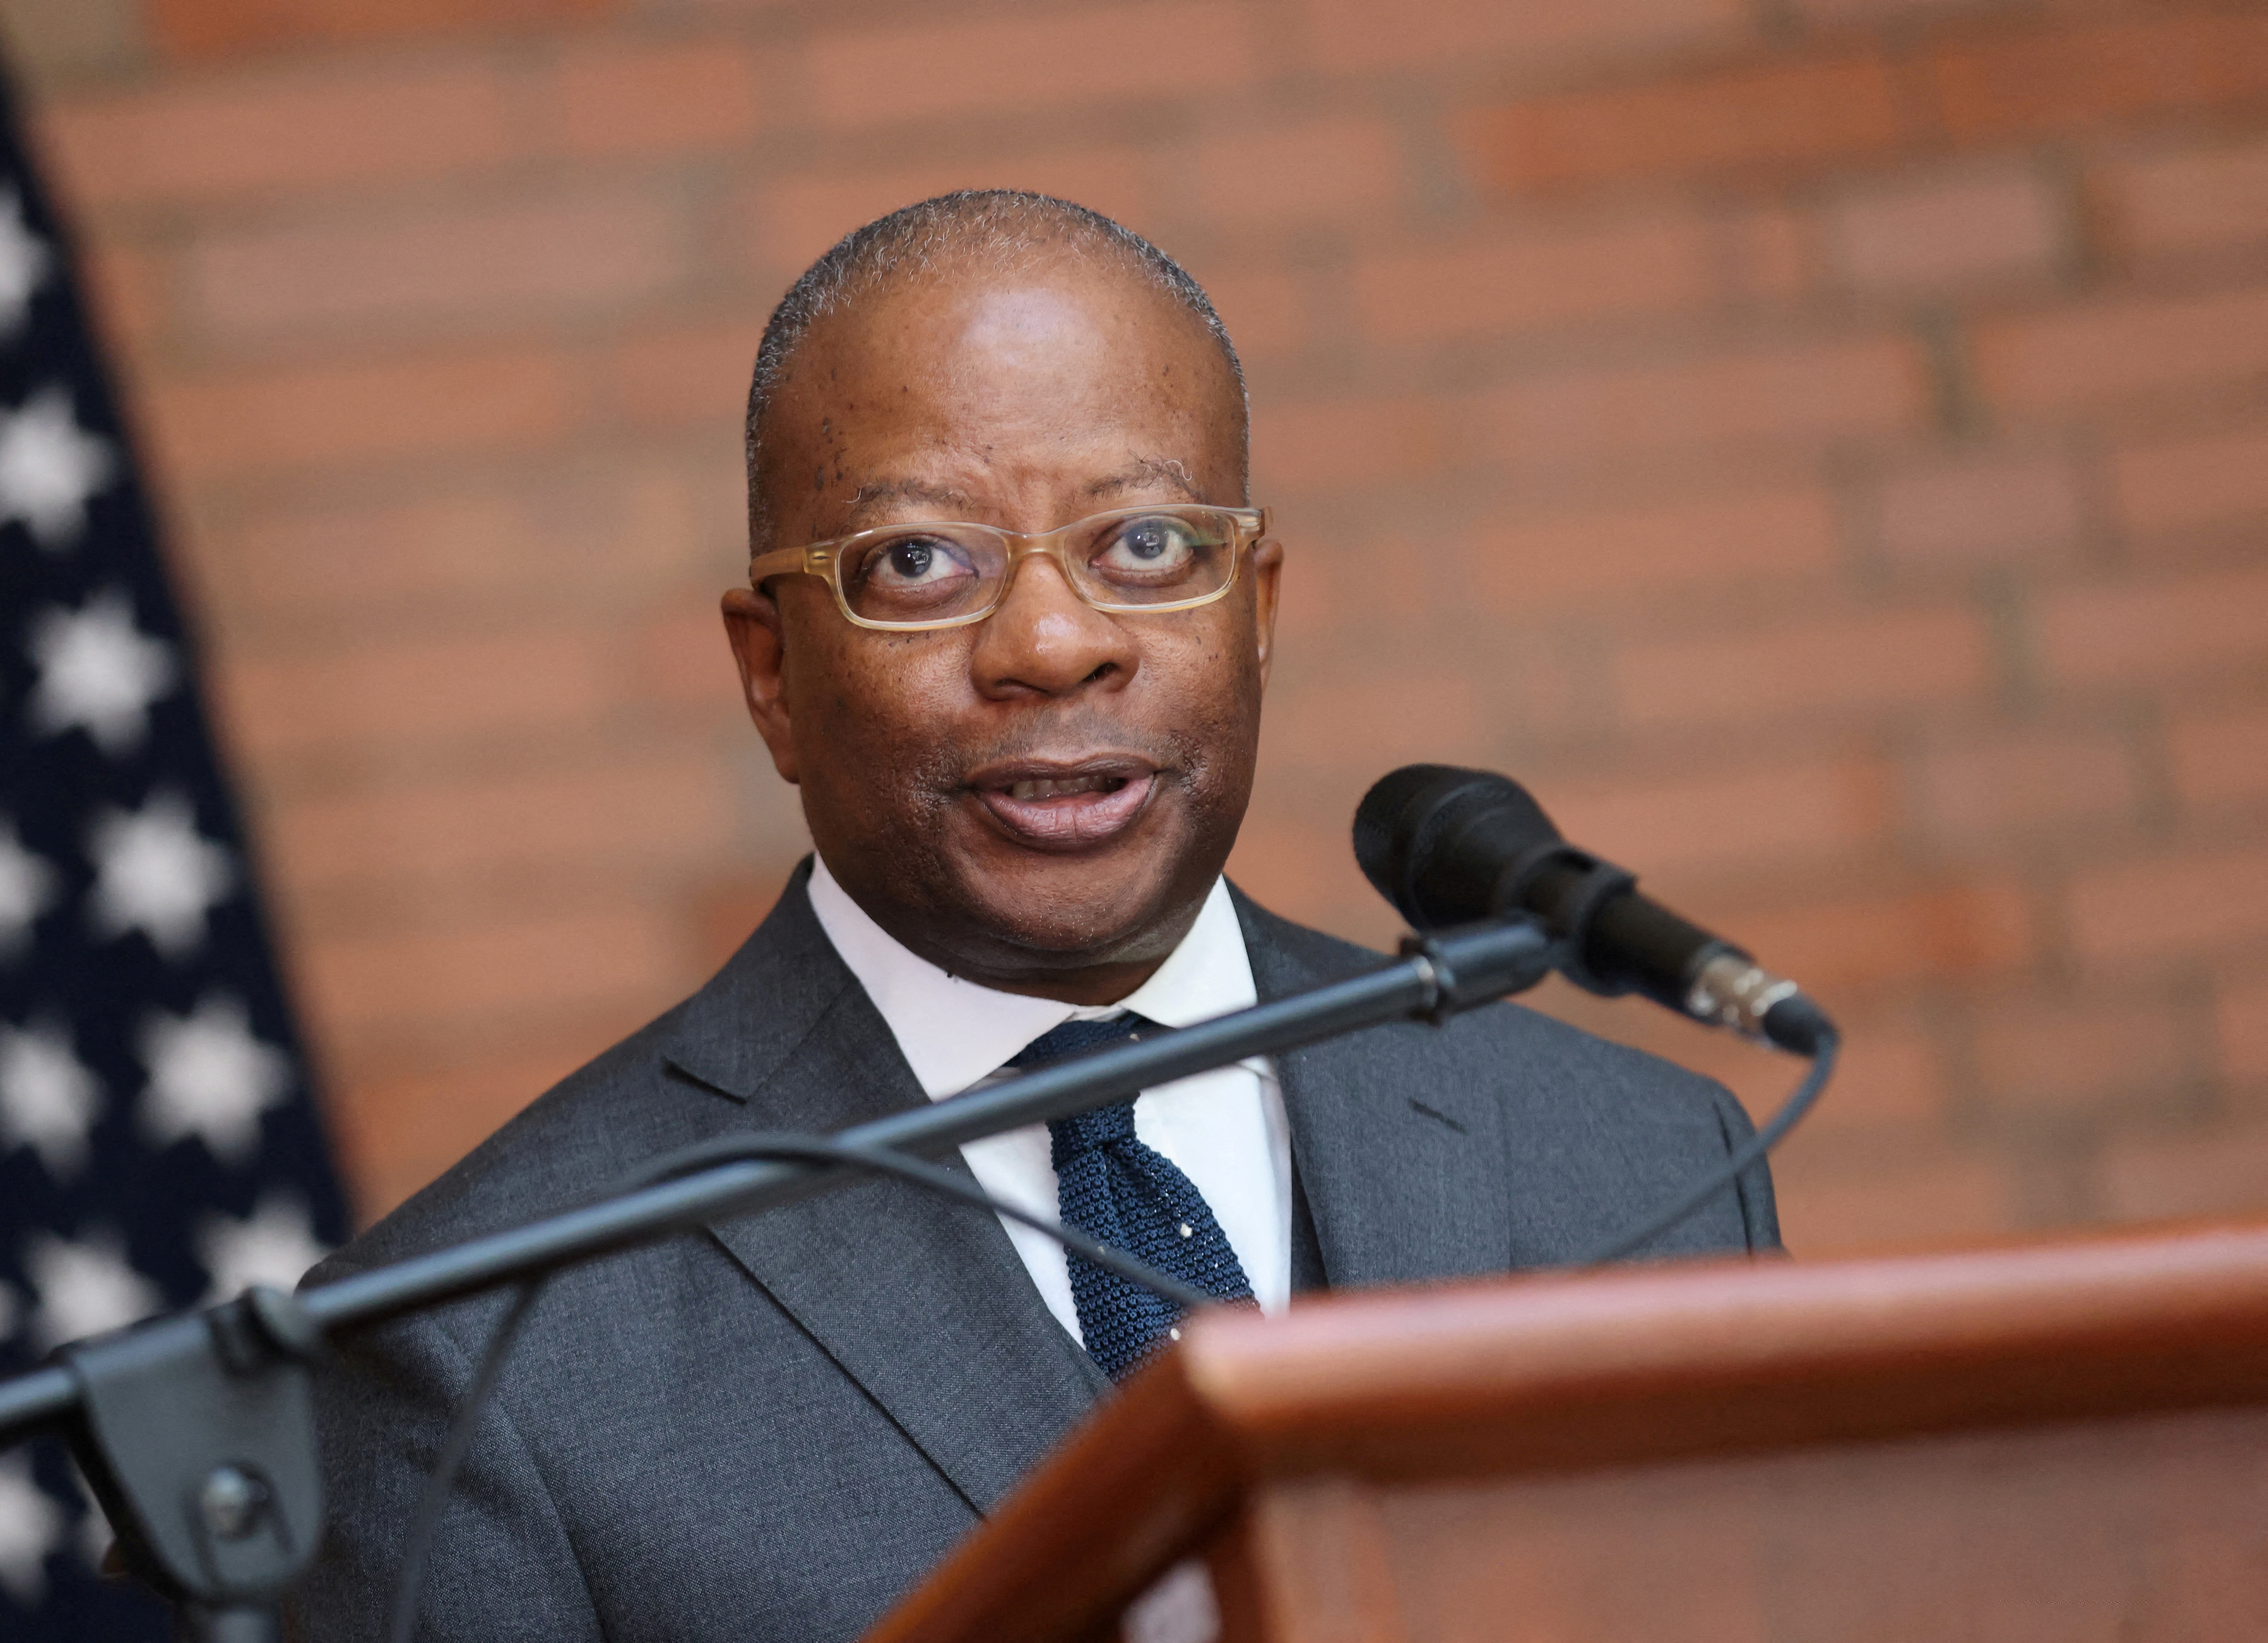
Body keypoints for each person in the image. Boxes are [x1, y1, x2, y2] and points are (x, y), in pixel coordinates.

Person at [290, 191, 1780, 1643]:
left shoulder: (1641, 1167)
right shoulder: (476, 1348)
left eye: (1143, 544)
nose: (1051, 644)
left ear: (1255, 611)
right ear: (770, 677)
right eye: (918, 563)